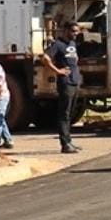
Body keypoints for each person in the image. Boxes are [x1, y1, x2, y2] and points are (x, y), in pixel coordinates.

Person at [41, 21, 83, 154]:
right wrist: (58, 71)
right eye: (73, 31)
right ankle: (65, 144)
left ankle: (69, 141)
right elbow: (45, 58)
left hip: (75, 82)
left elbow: (74, 60)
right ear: (65, 31)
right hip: (65, 83)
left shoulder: (72, 44)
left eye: (77, 31)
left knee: (70, 114)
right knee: (64, 114)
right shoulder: (58, 45)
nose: (75, 34)